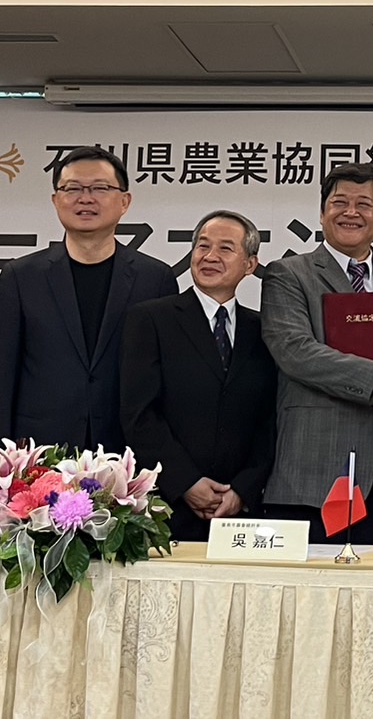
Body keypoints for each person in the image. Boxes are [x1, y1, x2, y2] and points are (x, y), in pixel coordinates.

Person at [259, 163, 373, 544]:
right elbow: (296, 351)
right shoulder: (289, 274)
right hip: (311, 479)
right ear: (322, 212)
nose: (351, 212)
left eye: (364, 204)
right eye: (339, 202)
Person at [0, 146, 177, 452]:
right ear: (55, 200)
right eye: (72, 188)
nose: (85, 198)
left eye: (100, 188)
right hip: (39, 453)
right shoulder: (20, 277)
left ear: (125, 201)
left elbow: (167, 382)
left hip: (127, 451)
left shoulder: (155, 279)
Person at [121, 210, 277, 541]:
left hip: (240, 513)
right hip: (166, 506)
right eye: (202, 246)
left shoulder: (264, 329)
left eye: (225, 248)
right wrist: (185, 482)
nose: (209, 256)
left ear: (250, 264)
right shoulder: (152, 319)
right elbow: (139, 414)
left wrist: (243, 490)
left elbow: (270, 421)